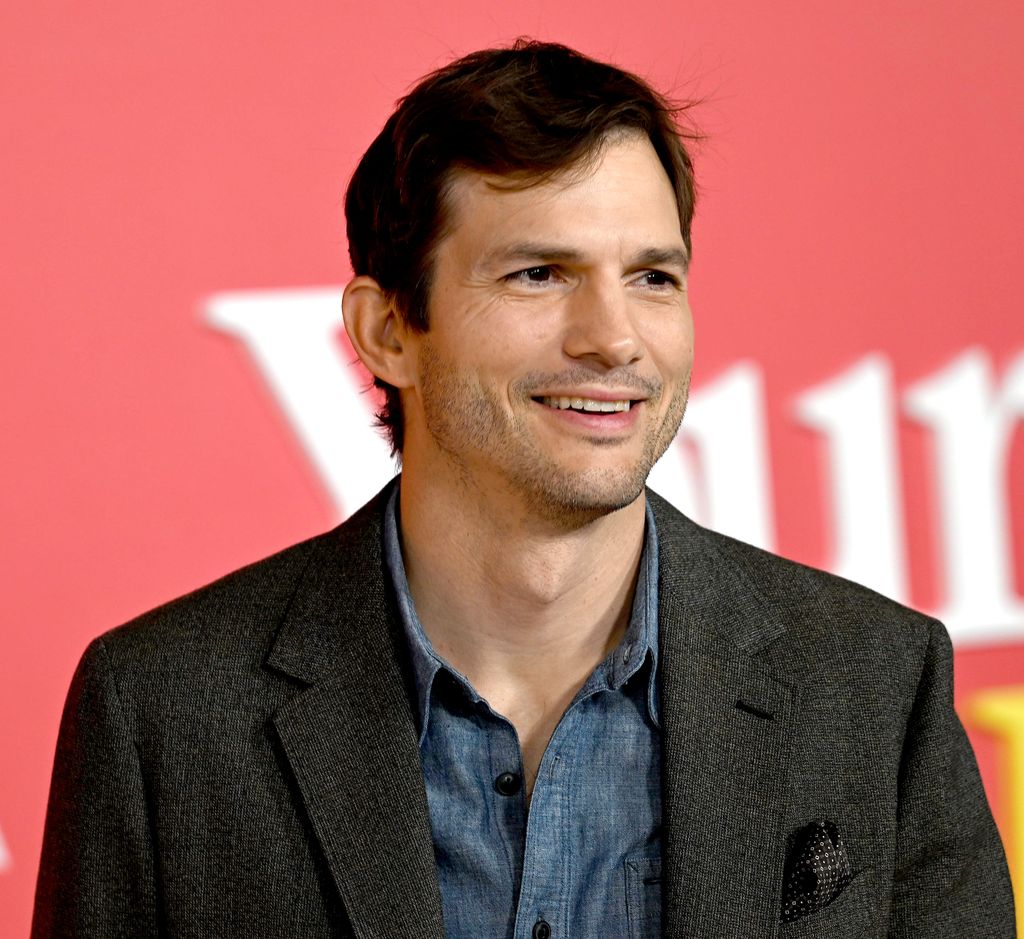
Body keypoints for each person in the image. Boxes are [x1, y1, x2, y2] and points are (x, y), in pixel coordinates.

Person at [33, 40, 1014, 939]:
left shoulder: (873, 686)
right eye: (541, 273)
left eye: (653, 277)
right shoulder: (164, 711)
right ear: (388, 332)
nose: (614, 338)